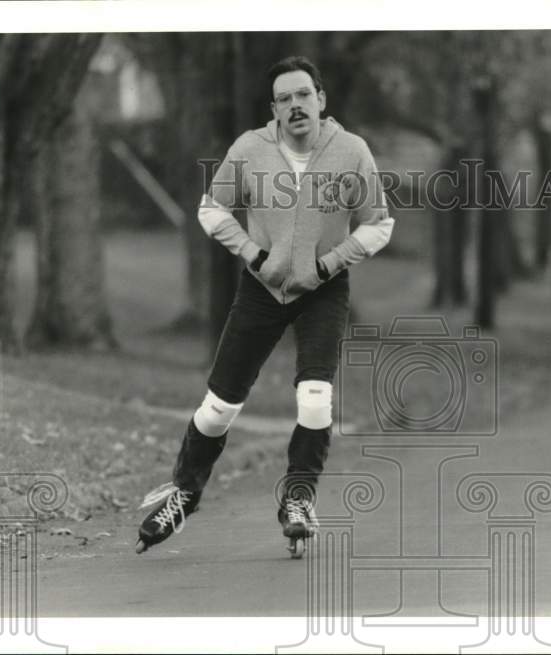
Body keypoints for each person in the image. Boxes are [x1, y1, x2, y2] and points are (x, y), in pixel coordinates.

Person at [135, 55, 395, 555]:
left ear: (321, 100)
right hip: (262, 289)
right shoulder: (250, 150)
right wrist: (254, 254)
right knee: (218, 409)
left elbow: (379, 223)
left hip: (324, 287)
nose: (295, 105)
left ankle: (298, 499)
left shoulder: (351, 152)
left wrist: (331, 262)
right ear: (273, 110)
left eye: (303, 95)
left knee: (316, 396)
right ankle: (184, 494)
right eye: (284, 99)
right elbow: (211, 210)